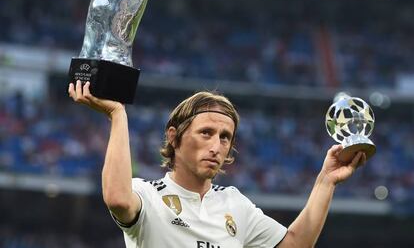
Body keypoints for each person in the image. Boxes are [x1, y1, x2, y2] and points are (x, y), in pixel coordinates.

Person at [68, 80, 366, 248]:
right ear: (174, 137)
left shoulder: (235, 203)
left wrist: (325, 180)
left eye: (225, 137)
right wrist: (118, 115)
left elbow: (296, 244)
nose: (216, 146)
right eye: (206, 133)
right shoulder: (147, 195)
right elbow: (117, 198)